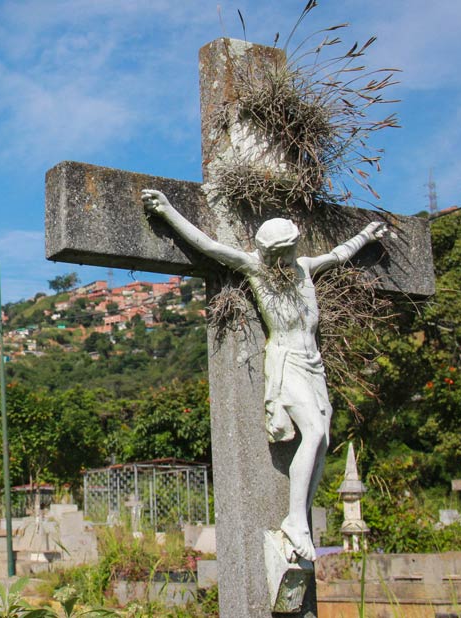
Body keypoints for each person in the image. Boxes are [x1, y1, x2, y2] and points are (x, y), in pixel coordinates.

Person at [141, 189, 386, 562]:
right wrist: (168, 210)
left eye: (290, 250)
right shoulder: (257, 270)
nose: (286, 257)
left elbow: (338, 255)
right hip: (286, 361)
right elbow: (208, 245)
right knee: (314, 432)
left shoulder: (304, 267)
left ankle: (298, 516)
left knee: (323, 439)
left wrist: (366, 236)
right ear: (268, 253)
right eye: (280, 252)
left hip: (313, 361)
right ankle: (295, 521)